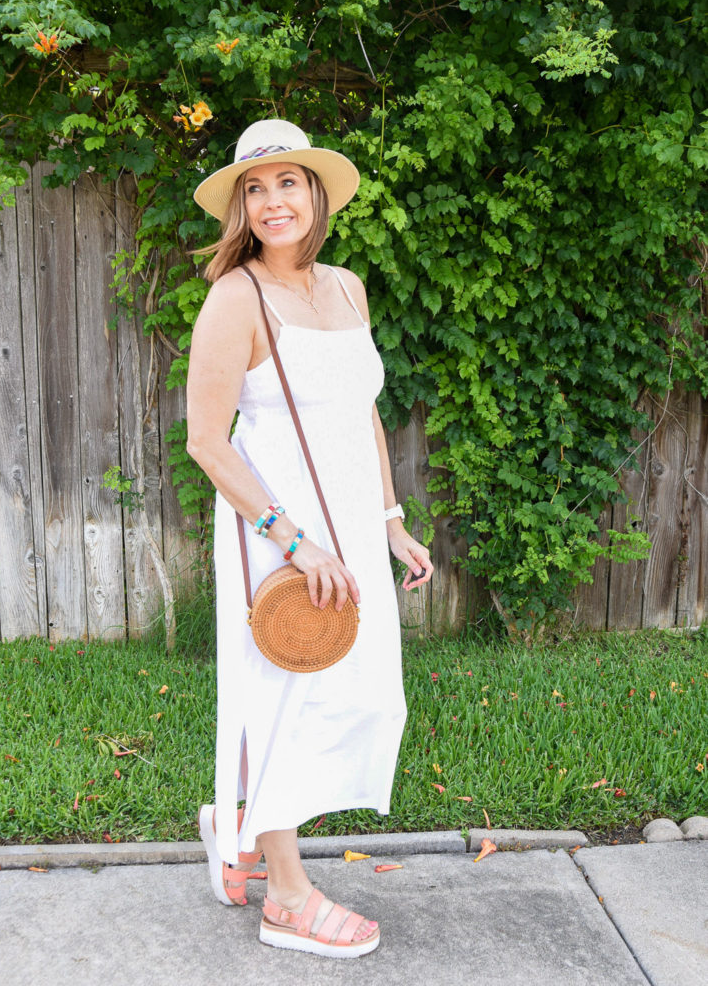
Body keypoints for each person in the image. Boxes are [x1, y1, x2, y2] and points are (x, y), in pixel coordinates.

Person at [187, 118, 434, 958]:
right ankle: (286, 897)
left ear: (316, 193)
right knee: (289, 698)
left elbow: (359, 410)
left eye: (286, 182)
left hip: (349, 529)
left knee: (361, 693)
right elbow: (207, 442)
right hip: (277, 533)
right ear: (240, 208)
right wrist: (295, 543)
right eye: (254, 189)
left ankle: (240, 820)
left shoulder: (347, 288)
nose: (271, 201)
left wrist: (390, 521)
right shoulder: (236, 296)